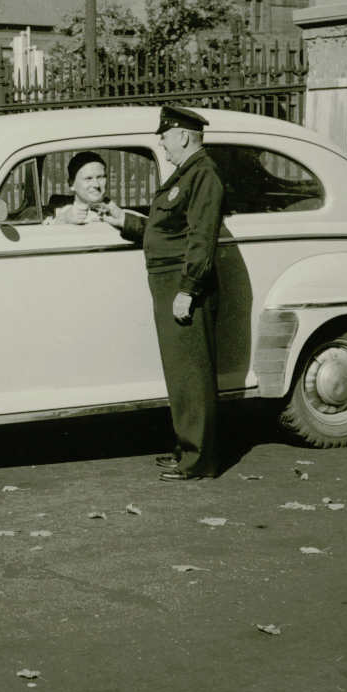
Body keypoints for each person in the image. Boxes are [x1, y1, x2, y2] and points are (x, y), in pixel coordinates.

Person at [100, 106, 224, 480]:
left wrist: (189, 289)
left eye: (166, 135)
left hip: (183, 283)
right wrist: (124, 221)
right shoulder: (186, 175)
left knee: (191, 373)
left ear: (183, 136)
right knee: (180, 371)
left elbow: (201, 239)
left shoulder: (203, 175)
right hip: (169, 281)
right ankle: (187, 447)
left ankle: (199, 460)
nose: (162, 142)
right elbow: (167, 232)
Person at [45, 150, 112, 225]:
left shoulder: (118, 213)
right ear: (71, 184)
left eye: (100, 177)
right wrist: (63, 220)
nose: (96, 184)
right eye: (88, 178)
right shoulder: (56, 214)